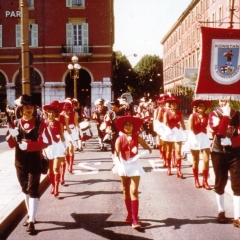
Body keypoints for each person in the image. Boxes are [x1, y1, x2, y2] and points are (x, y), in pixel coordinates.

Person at [6, 94, 51, 235]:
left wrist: (30, 146)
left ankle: (31, 220)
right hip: (20, 161)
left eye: (32, 107)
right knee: (25, 189)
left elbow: (47, 141)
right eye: (27, 107)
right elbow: (11, 144)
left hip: (34, 161)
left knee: (33, 189)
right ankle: (30, 214)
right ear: (22, 108)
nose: (29, 109)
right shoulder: (15, 123)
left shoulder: (41, 124)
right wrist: (12, 136)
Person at [113, 116, 152, 229]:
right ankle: (129, 213)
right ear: (123, 127)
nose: (128, 127)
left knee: (134, 191)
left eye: (130, 125)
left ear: (133, 127)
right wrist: (119, 164)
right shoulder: (119, 139)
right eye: (126, 125)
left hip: (135, 165)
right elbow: (116, 154)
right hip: (123, 165)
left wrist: (139, 155)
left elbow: (148, 149)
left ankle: (135, 219)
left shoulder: (137, 137)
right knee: (125, 190)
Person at [208, 99, 240, 227]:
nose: (223, 102)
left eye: (226, 99)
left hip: (235, 152)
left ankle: (238, 216)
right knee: (220, 182)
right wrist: (226, 116)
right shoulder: (214, 114)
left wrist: (233, 142)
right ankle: (221, 211)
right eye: (221, 100)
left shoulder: (238, 114)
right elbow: (219, 132)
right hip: (218, 152)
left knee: (237, 183)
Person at [187, 99, 212, 189]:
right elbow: (190, 129)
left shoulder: (207, 115)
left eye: (203, 106)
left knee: (206, 160)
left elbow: (210, 126)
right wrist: (192, 140)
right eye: (199, 106)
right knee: (195, 160)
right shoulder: (192, 116)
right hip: (195, 138)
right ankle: (196, 180)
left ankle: (205, 181)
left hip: (204, 138)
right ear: (196, 108)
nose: (201, 107)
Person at [42, 100, 65, 197]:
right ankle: (52, 185)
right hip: (48, 148)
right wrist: (41, 149)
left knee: (56, 167)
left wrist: (65, 147)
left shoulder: (59, 123)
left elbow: (62, 136)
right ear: (47, 113)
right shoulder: (43, 124)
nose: (51, 114)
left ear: (55, 114)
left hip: (58, 147)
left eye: (53, 112)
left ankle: (56, 187)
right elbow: (41, 137)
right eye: (49, 112)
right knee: (49, 171)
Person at [161, 94, 187, 178]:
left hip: (178, 132)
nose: (174, 105)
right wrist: (168, 130)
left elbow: (182, 123)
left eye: (175, 104)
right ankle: (169, 168)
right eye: (172, 104)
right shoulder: (166, 113)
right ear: (170, 105)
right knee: (168, 151)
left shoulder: (180, 113)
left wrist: (185, 132)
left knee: (178, 151)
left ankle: (179, 170)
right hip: (169, 132)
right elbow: (165, 124)